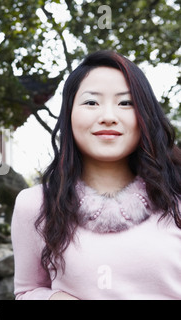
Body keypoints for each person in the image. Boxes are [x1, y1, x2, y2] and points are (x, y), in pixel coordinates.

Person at [11, 50, 181, 300]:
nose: (108, 117)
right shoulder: (36, 205)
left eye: (126, 103)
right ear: (69, 115)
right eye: (91, 102)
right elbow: (26, 291)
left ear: (145, 116)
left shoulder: (176, 195)